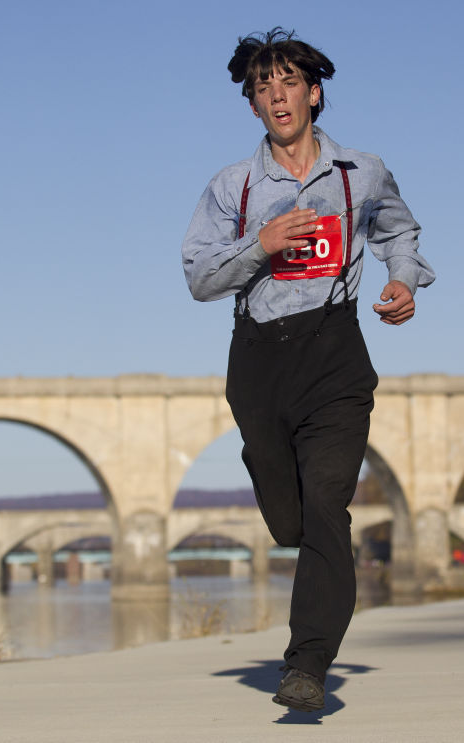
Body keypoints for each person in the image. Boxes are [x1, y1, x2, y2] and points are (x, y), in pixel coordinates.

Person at [181, 28, 435, 712]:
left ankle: (308, 663)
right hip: (259, 360)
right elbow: (199, 279)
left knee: (328, 505)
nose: (277, 95)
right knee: (291, 519)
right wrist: (258, 245)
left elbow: (400, 232)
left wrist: (404, 281)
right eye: (263, 87)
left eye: (288, 81)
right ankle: (277, 484)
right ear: (254, 106)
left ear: (314, 92)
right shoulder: (231, 187)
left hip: (335, 353)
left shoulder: (362, 173)